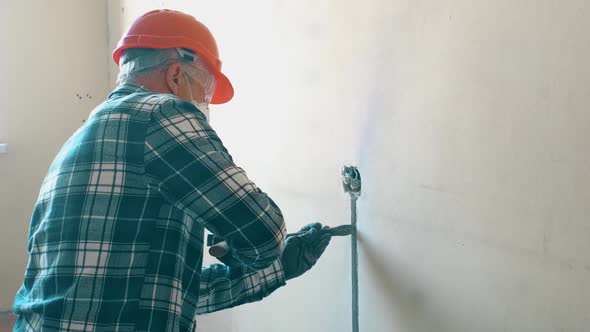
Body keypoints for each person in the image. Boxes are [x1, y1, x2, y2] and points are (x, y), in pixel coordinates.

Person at [13, 9, 332, 332]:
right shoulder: (160, 113)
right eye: (205, 90)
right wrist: (256, 251)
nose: (204, 104)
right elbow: (264, 235)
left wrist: (279, 269)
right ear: (176, 74)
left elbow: (166, 293)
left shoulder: (86, 136)